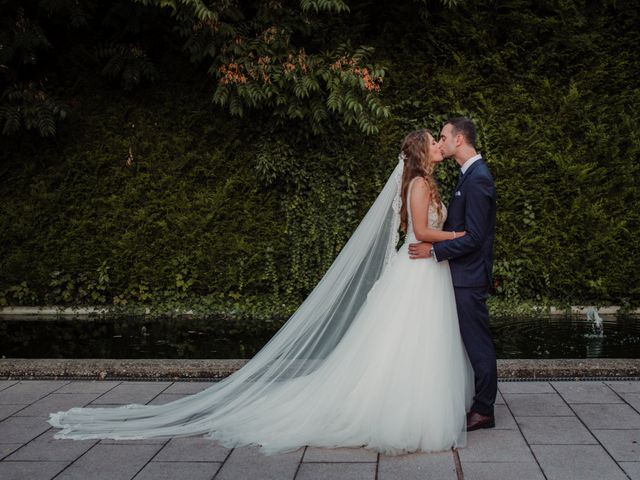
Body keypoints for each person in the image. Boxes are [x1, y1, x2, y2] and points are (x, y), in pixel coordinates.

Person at [49, 129, 474, 456]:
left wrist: (444, 238)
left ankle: (411, 405)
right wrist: (456, 233)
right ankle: (401, 410)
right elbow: (419, 231)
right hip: (417, 267)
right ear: (422, 153)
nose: (440, 145)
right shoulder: (418, 183)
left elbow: (420, 232)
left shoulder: (426, 182)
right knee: (404, 341)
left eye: (441, 141)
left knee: (414, 342)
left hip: (425, 267)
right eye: (434, 143)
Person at [409, 117, 498, 431]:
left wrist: (434, 251)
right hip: (457, 274)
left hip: (469, 276)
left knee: (477, 342)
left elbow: (473, 236)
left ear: (459, 140)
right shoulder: (467, 175)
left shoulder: (478, 179)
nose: (441, 142)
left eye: (444, 137)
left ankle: (484, 409)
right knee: (463, 341)